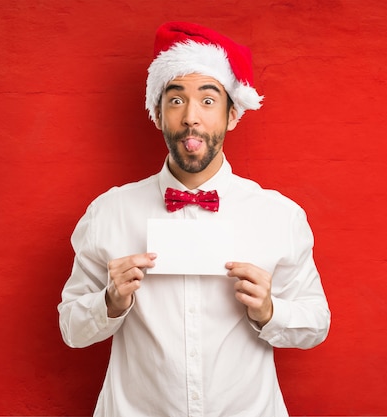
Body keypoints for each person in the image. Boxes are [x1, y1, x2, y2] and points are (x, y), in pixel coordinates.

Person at [58, 21, 330, 417]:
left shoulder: (280, 215)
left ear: (232, 114)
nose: (190, 118)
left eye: (207, 100)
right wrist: (110, 302)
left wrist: (270, 311)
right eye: (175, 100)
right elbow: (71, 329)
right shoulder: (109, 212)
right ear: (157, 113)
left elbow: (316, 324)